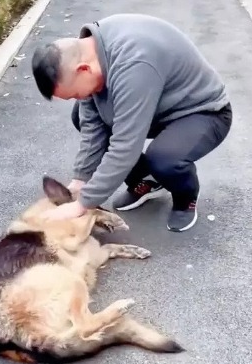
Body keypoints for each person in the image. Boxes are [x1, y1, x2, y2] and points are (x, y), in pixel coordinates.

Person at [31, 13, 233, 232]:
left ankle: (186, 198)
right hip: (157, 105)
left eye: (74, 94)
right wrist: (81, 179)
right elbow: (92, 125)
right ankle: (146, 181)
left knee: (164, 158)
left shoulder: (134, 64)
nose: (78, 99)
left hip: (201, 111)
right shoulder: (90, 53)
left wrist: (81, 205)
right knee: (80, 115)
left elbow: (125, 145)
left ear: (83, 69)